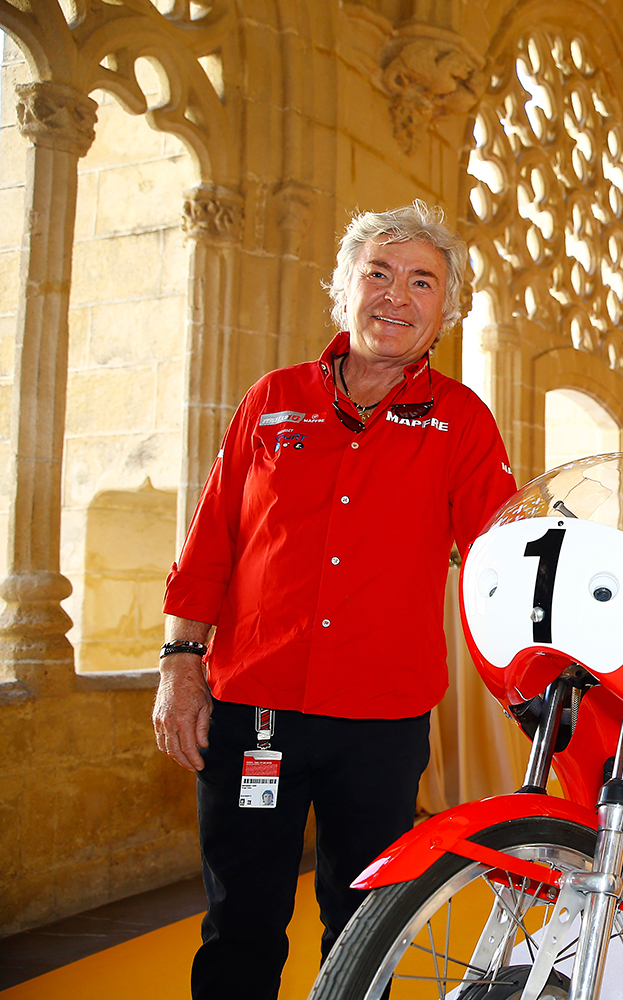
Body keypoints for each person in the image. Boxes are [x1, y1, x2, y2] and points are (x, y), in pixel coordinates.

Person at [151, 201, 518, 1000]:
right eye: (378, 273)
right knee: (239, 923)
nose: (396, 295)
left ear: (444, 313)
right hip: (255, 707)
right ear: (343, 290)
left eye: (422, 281)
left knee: (365, 932)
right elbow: (211, 539)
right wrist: (180, 663)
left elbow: (504, 553)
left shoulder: (461, 422)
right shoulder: (271, 400)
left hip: (380, 724)